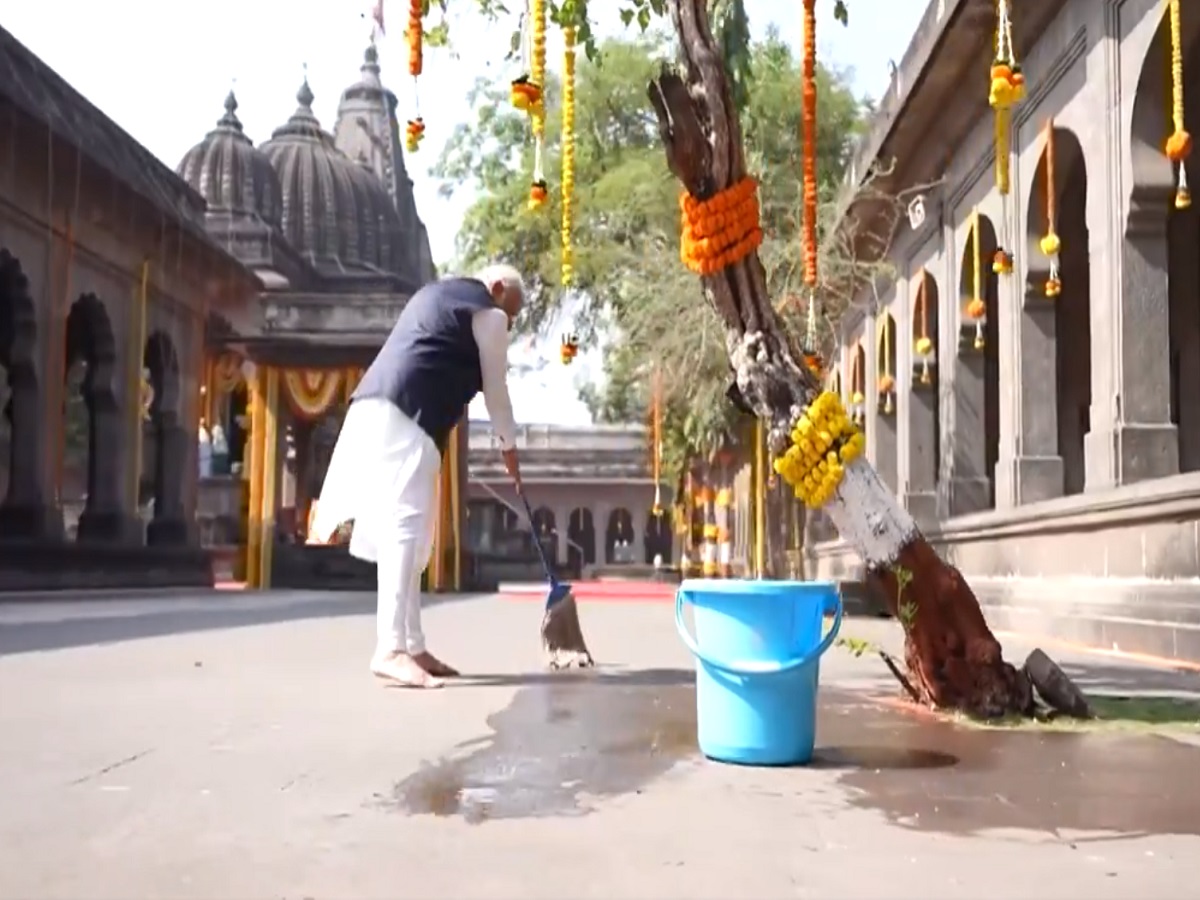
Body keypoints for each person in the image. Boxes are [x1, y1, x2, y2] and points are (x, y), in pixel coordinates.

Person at [310, 264, 524, 689]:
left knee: (412, 530)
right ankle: (389, 648)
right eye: (512, 313)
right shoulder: (488, 312)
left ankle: (411, 643)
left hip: (382, 405)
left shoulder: (438, 295)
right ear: (497, 289)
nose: (509, 324)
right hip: (407, 411)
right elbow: (496, 392)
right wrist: (510, 452)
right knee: (405, 524)